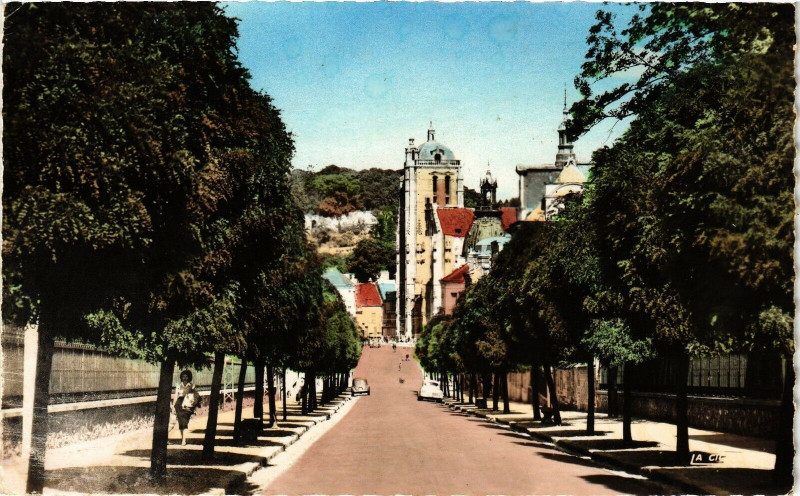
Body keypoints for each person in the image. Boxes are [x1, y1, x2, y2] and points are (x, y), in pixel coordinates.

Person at [173, 370, 199, 446]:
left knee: (185, 421)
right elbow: (176, 396)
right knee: (181, 422)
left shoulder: (192, 385)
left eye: (186, 376)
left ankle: (183, 439)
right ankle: (183, 439)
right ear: (181, 377)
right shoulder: (178, 385)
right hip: (179, 404)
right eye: (183, 376)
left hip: (187, 404)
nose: (184, 378)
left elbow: (195, 397)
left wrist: (194, 408)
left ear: (189, 377)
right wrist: (173, 406)